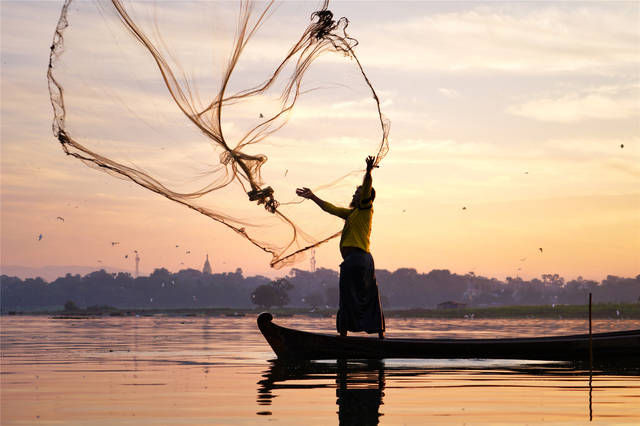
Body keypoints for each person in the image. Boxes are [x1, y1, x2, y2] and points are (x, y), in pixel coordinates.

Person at [296, 156, 385, 338]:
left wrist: (368, 171)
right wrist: (313, 197)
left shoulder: (366, 209)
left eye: (357, 193)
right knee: (366, 296)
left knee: (348, 297)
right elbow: (330, 208)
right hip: (361, 261)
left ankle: (344, 338)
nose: (354, 195)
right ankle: (378, 335)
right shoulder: (352, 213)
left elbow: (367, 186)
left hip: (357, 260)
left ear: (365, 197)